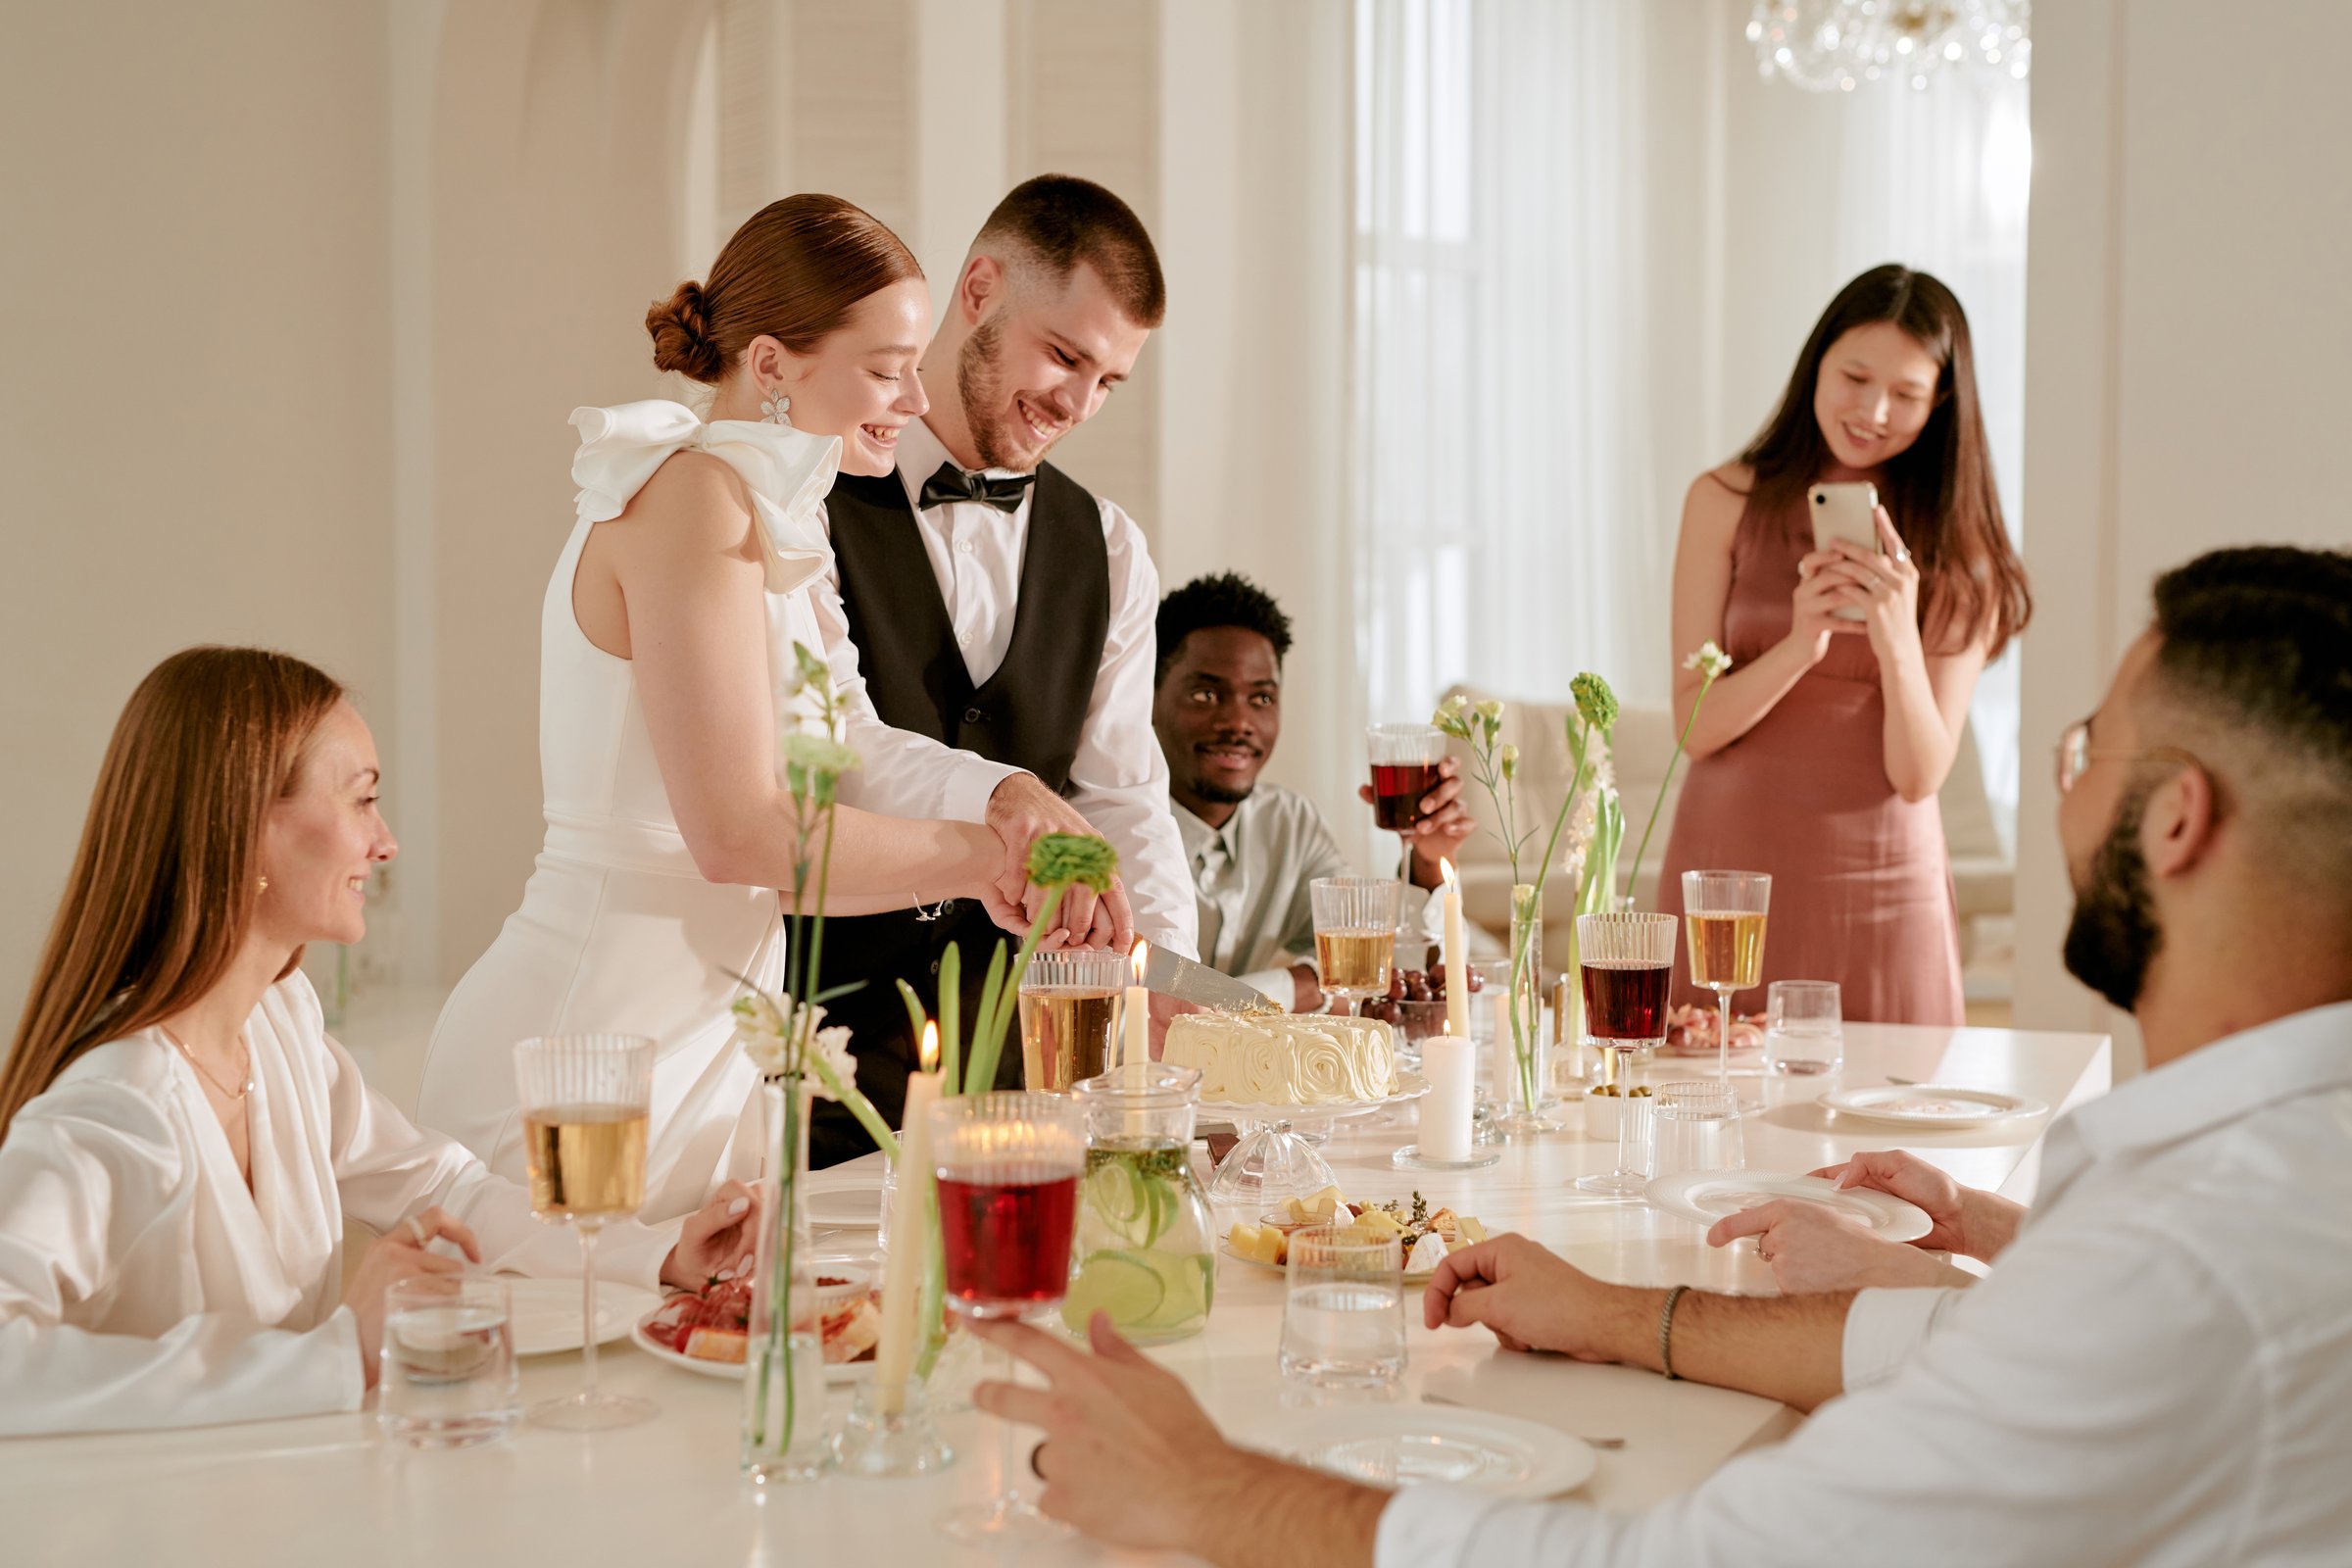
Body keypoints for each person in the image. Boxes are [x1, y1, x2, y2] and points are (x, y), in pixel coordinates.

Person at [965, 545, 2352, 1565]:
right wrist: (1626, 1317)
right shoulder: (2260, 1178)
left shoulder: (2187, 1264)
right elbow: (1979, 1338)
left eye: (2084, 748)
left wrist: (1214, 1491)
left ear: (2175, 819)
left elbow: (1692, 1559)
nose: (2067, 777)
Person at [416, 195, 1115, 1214]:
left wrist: (1006, 801)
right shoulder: (692, 499)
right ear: (775, 362)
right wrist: (983, 862)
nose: (916, 401)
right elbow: (740, 835)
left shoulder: (768, 516)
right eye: (885, 369)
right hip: (589, 1051)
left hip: (710, 1043)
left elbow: (852, 739)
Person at [0, 649, 759, 1436]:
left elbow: (446, 1188)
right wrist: (335, 1356)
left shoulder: (278, 1026)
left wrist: (665, 1253)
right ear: (245, 822)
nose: (386, 842)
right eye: (362, 801)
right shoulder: (120, 1101)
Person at [809, 175, 1197, 1163]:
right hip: (822, 1060)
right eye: (1064, 354)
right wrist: (1006, 798)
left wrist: (1165, 992)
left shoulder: (1109, 547)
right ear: (978, 289)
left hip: (1025, 1070)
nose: (1078, 402)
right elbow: (830, 754)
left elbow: (1124, 801)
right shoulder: (806, 494)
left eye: (1109, 380)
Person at [1656, 266, 2032, 1023]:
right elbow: (1694, 730)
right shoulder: (1722, 502)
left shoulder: (1965, 553)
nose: (1873, 411)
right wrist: (1801, 643)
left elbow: (1919, 773)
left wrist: (1896, 638)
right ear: (1816, 363)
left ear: (1943, 402)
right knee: (1710, 1117)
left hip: (1885, 891)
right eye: (1855, 377)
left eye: (1907, 394)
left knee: (1887, 1126)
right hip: (1731, 883)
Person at [1152, 572, 1473, 1010]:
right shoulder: (1105, 827)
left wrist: (1428, 861)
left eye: (1261, 699)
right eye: (1207, 694)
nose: (1238, 722)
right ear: (1146, 700)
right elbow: (1148, 1002)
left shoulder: (1290, 823)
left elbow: (1384, 969)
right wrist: (1300, 984)